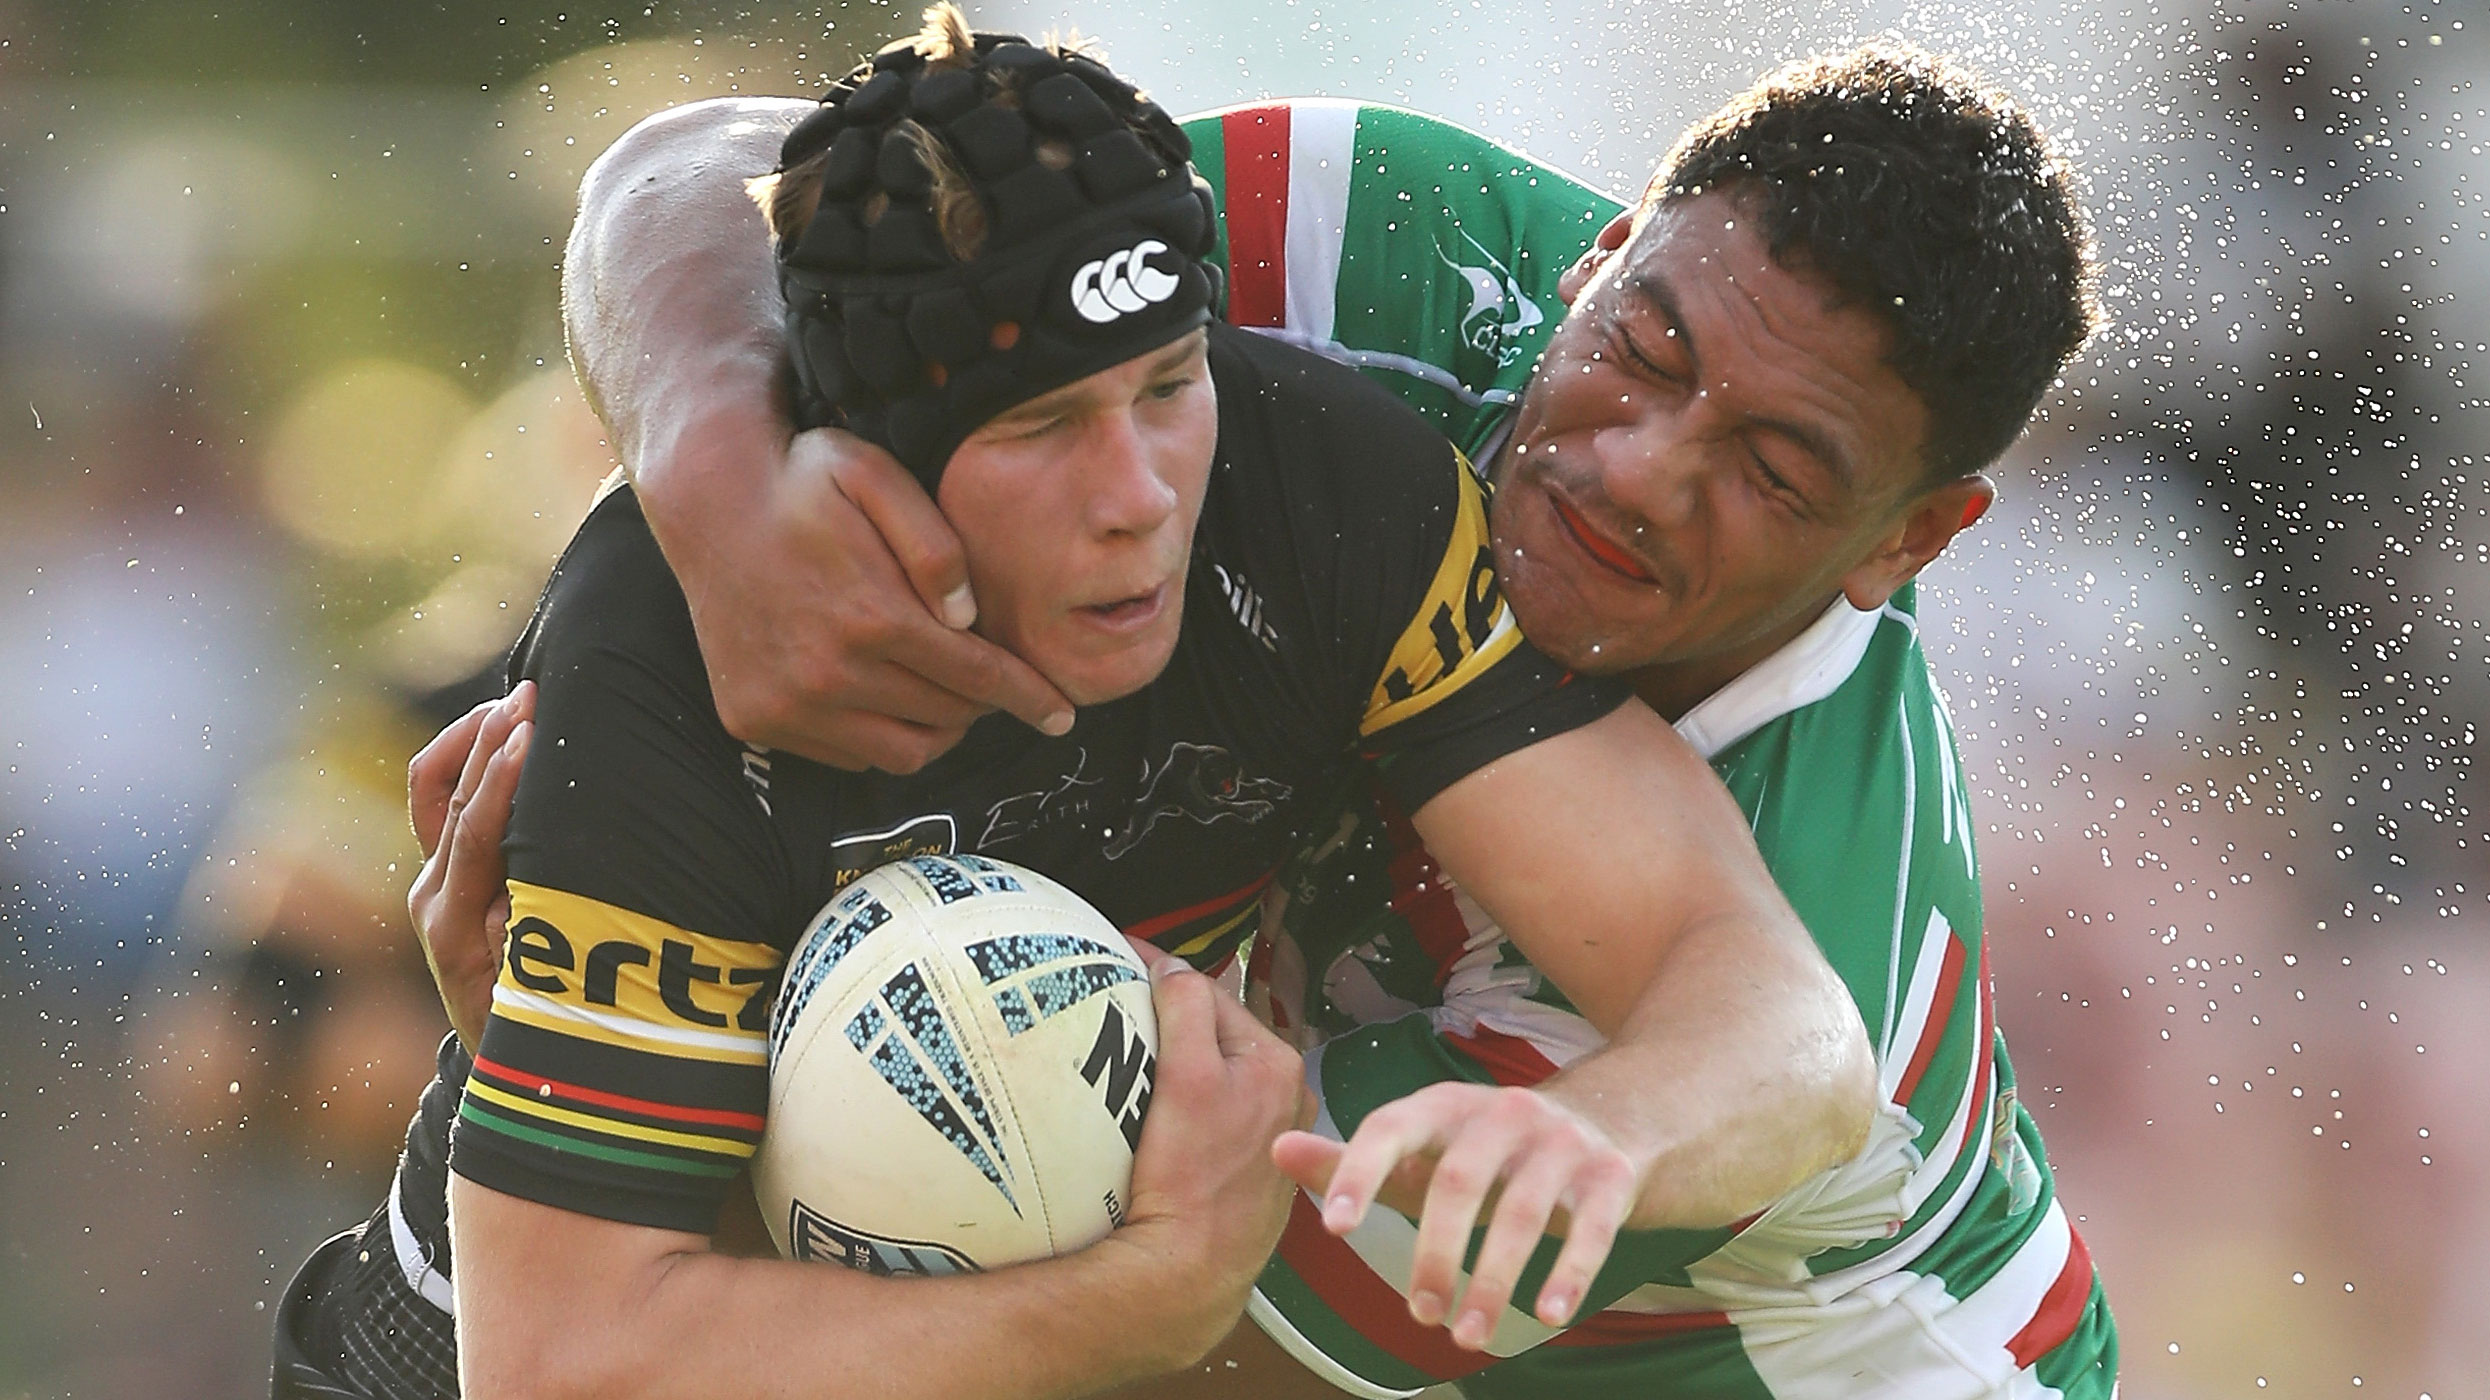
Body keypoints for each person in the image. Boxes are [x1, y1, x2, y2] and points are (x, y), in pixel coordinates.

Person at [466, 29, 2120, 1400]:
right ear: (1595, 253)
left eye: (1770, 474)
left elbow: (1126, 1328)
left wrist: (681, 1119)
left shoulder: (1670, 1024)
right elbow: (831, 190)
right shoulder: (1367, 243)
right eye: (1644, 347)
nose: (1633, 469)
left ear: (1908, 543)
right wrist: (707, 453)